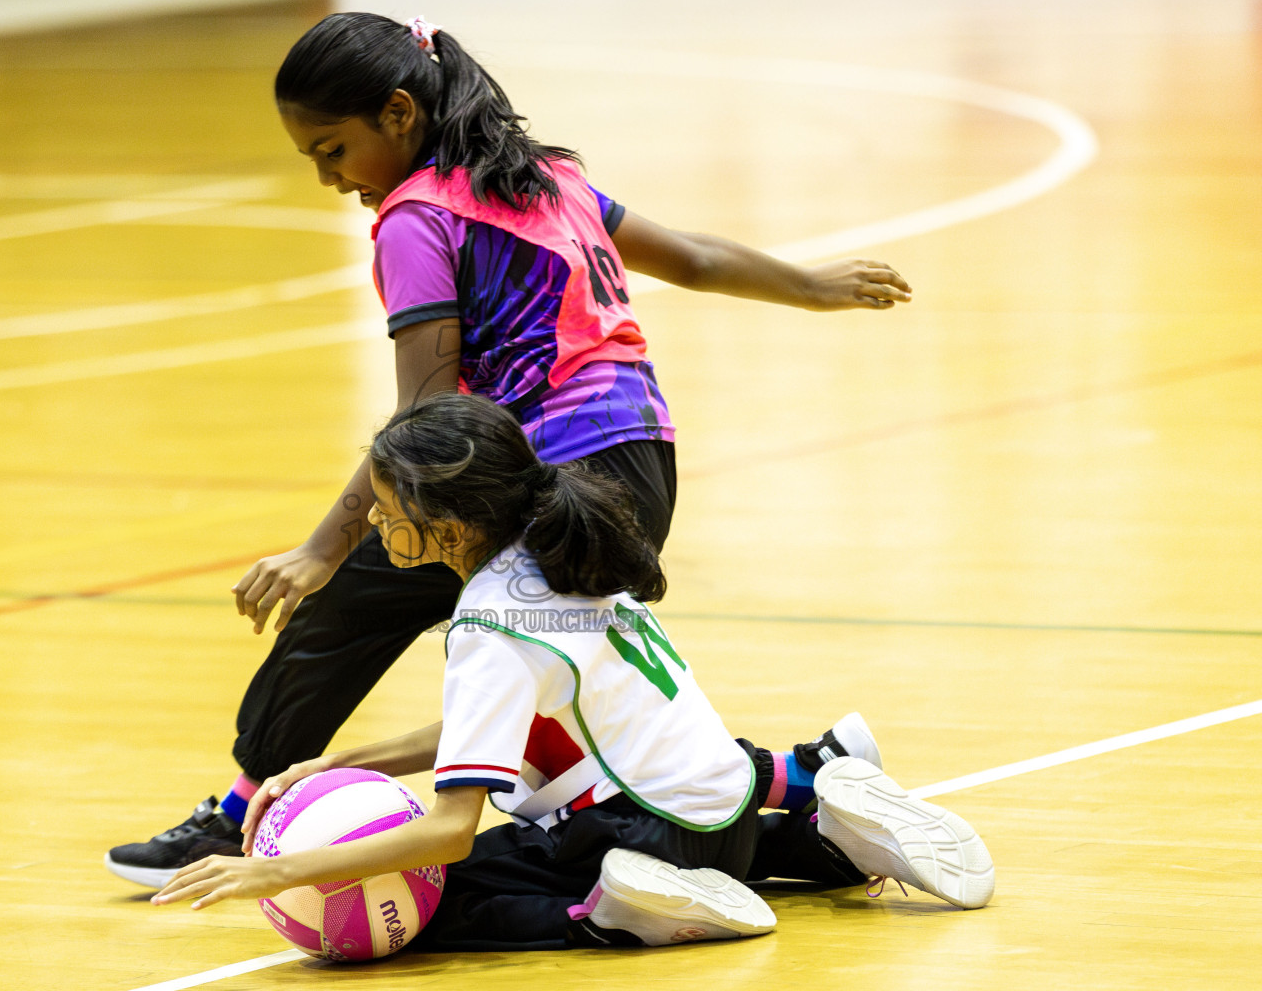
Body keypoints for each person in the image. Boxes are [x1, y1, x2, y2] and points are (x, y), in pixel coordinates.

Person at [106, 11, 914, 887]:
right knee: (575, 662)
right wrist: (812, 286)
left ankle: (240, 817)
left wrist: (321, 546)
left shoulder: (418, 219)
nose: (327, 177)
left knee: (353, 617)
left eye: (332, 150)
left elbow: (423, 413)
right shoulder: (547, 178)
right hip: (641, 462)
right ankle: (804, 784)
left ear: (400, 113)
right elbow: (694, 259)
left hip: (541, 472)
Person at [150, 394, 995, 951]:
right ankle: (825, 836)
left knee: (438, 901)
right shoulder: (554, 554)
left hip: (645, 831)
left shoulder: (487, 623)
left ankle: (612, 914)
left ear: (446, 525)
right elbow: (502, 731)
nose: (370, 518)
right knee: (706, 839)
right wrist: (341, 763)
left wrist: (270, 871)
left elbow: (447, 829)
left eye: (386, 507)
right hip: (721, 809)